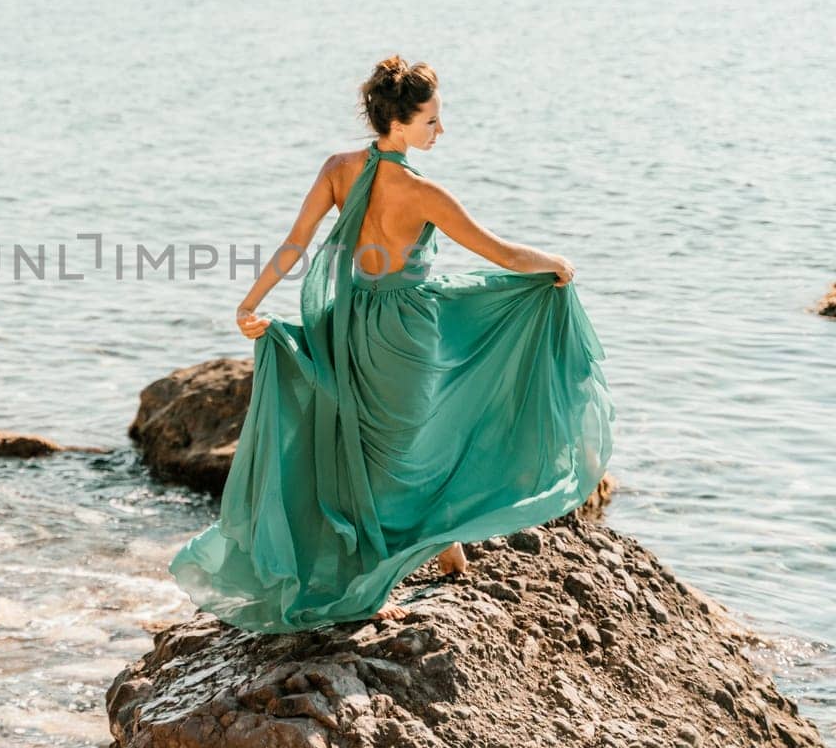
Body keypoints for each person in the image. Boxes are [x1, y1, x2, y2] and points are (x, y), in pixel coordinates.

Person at [168, 54, 615, 631]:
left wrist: (250, 303)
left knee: (376, 447)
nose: (441, 130)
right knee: (405, 453)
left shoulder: (337, 168)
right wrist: (554, 263)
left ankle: (441, 547)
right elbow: (502, 255)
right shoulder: (426, 194)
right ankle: (380, 577)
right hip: (405, 334)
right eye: (432, 120)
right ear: (399, 124)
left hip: (351, 321)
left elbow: (294, 243)